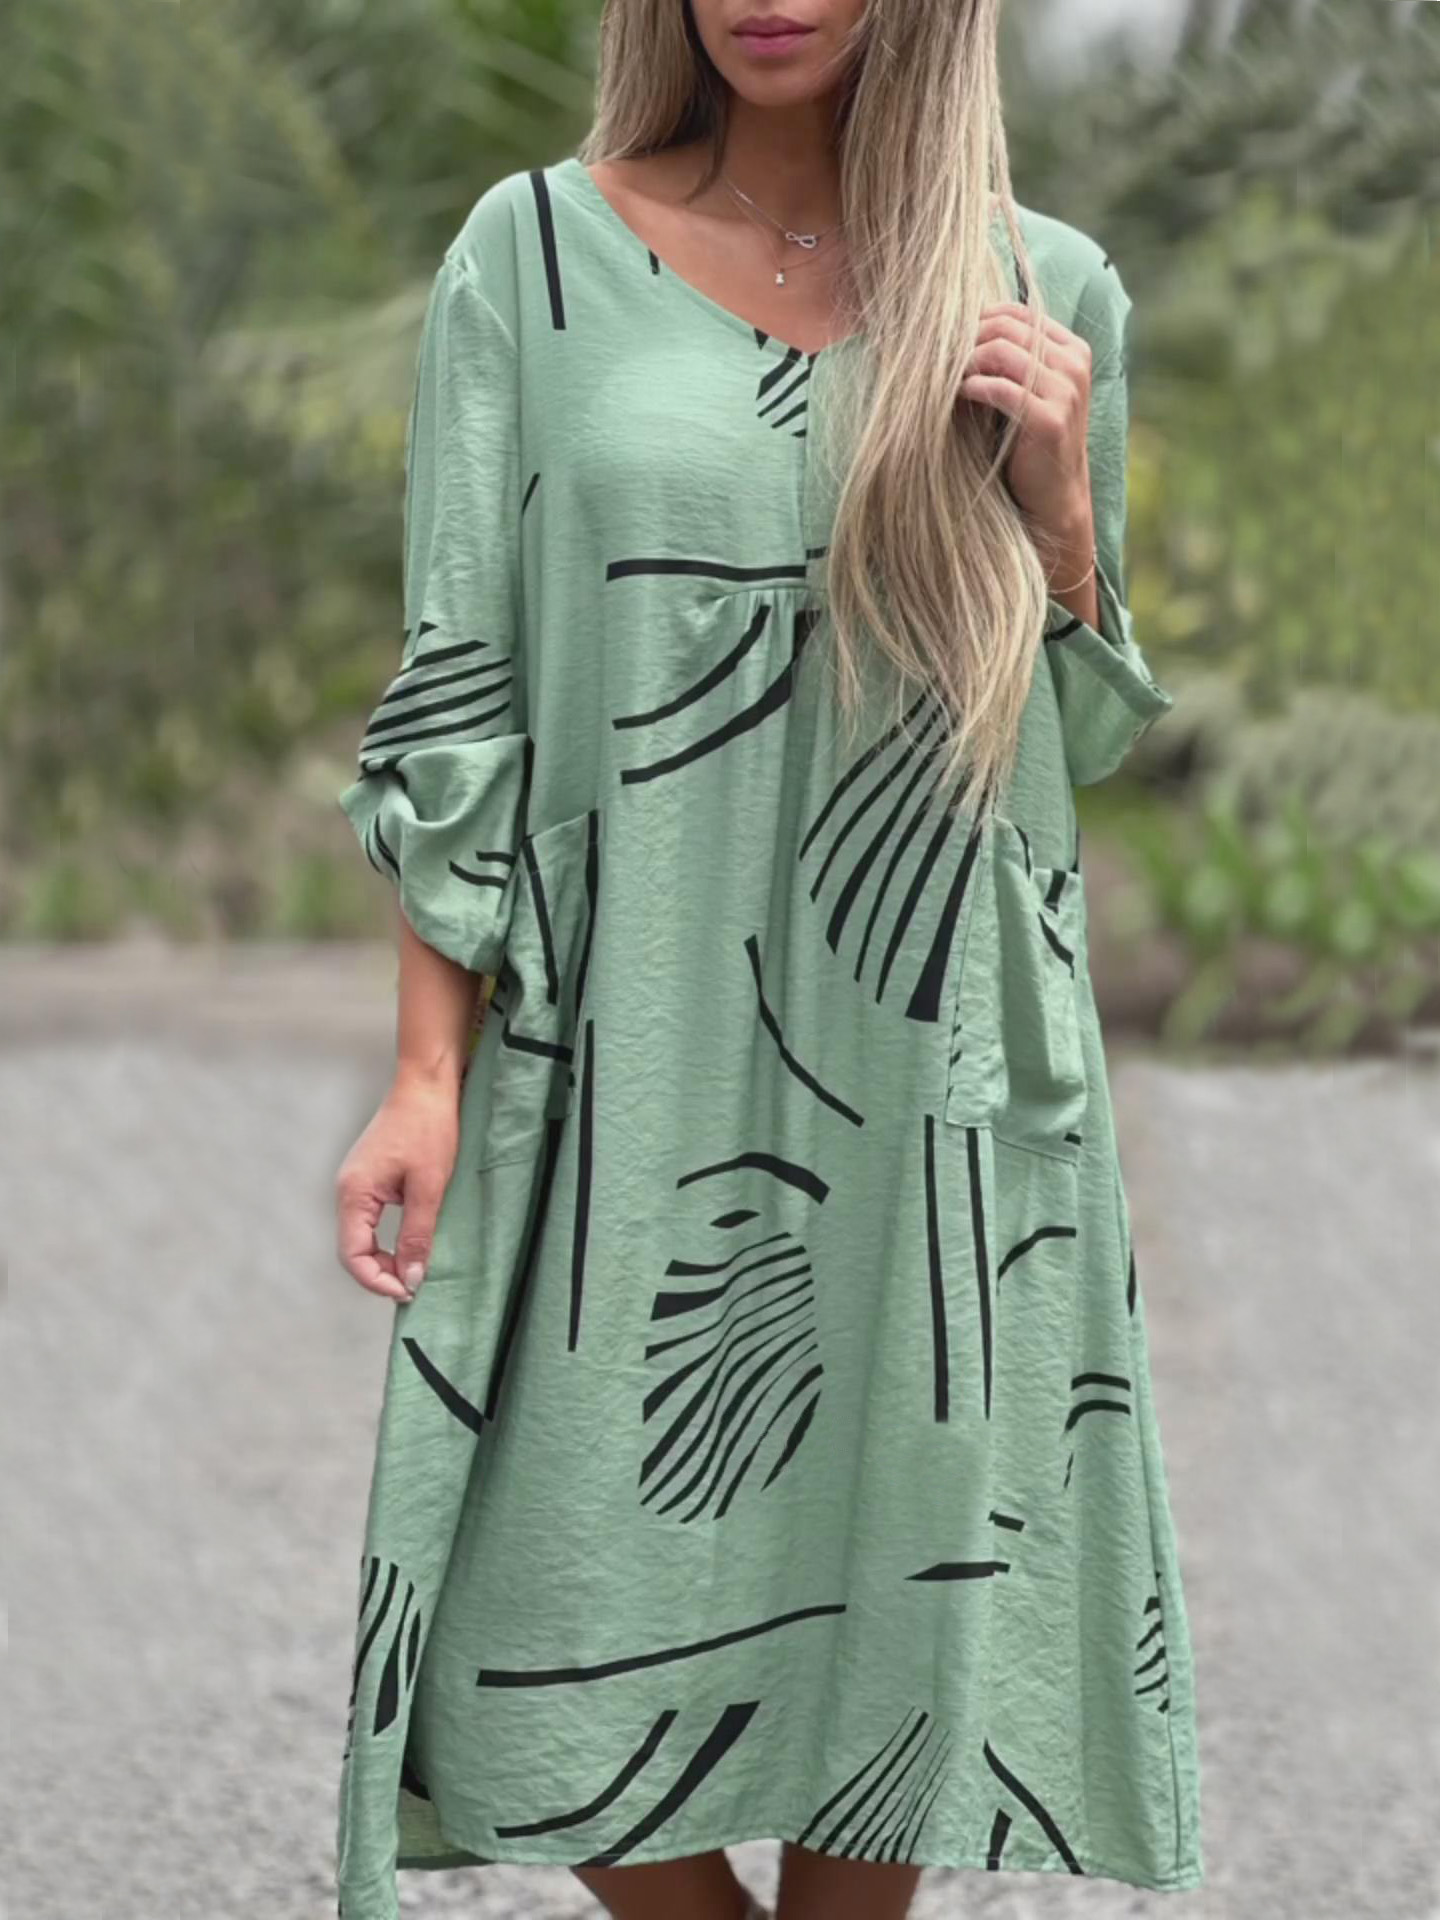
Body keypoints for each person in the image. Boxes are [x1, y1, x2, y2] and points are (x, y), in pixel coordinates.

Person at [330, 2, 1205, 1916]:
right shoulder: (531, 256)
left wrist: (1062, 518)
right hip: (620, 1033)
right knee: (530, 1623)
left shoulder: (1041, 291)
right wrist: (425, 1070)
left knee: (895, 1623)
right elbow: (457, 690)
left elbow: (1075, 737)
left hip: (926, 1064)